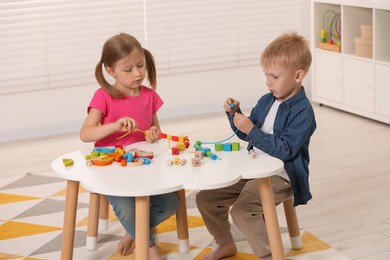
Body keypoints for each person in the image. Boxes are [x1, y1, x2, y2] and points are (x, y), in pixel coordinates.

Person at [196, 31, 317, 260]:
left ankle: (269, 255)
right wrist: (235, 115)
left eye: (274, 76)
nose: (268, 82)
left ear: (298, 75)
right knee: (206, 199)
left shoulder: (303, 112)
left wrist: (251, 129)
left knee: (243, 210)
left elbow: (286, 149)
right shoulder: (266, 100)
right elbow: (248, 135)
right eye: (266, 75)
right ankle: (225, 243)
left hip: (282, 175)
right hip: (253, 169)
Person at [80, 33, 179, 259]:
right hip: (112, 169)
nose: (137, 73)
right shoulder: (103, 96)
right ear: (110, 70)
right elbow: (85, 134)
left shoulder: (150, 96)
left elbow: (156, 133)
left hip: (144, 165)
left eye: (141, 66)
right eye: (128, 69)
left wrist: (154, 135)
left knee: (171, 204)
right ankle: (149, 247)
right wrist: (113, 127)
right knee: (126, 208)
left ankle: (133, 233)